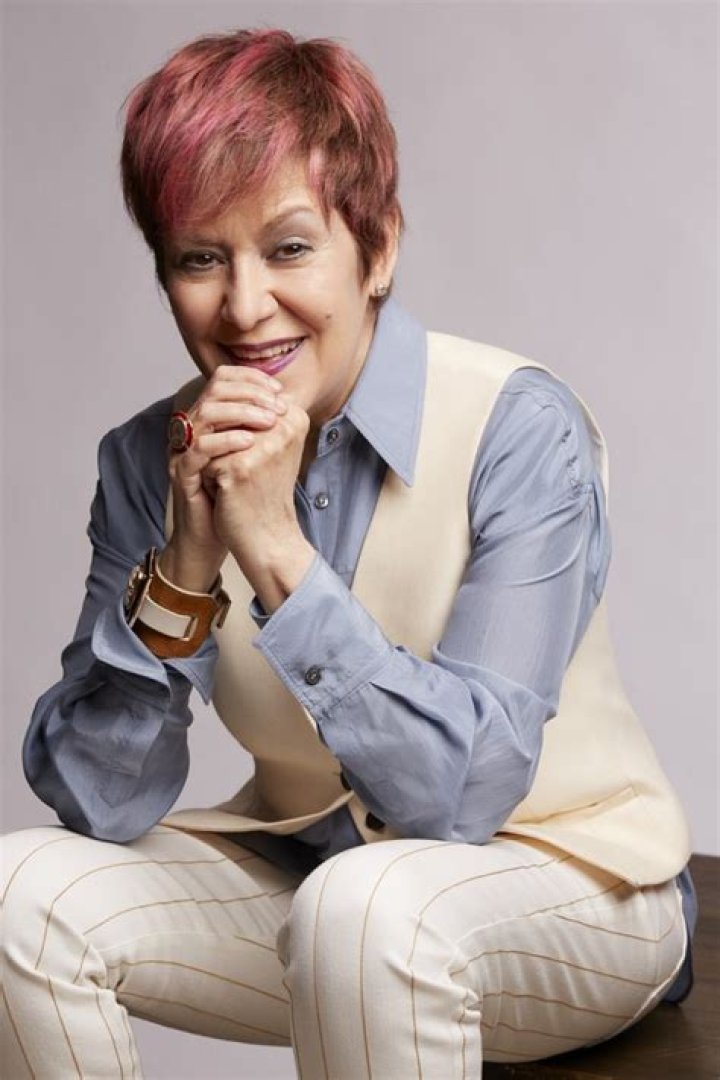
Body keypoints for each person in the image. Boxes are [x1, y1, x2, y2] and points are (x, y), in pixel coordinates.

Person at [1, 28, 696, 1079]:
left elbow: (464, 798)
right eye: (200, 259)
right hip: (320, 878)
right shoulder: (153, 459)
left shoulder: (517, 426)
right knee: (20, 898)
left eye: (288, 249)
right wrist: (185, 566)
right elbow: (100, 802)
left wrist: (277, 553)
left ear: (378, 249)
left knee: (365, 911)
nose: (244, 309)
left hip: (582, 884)